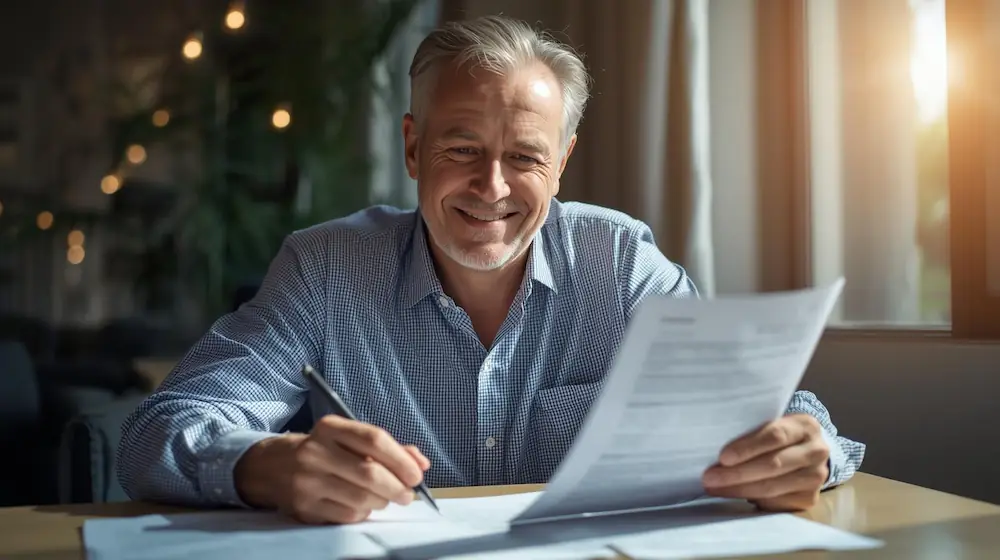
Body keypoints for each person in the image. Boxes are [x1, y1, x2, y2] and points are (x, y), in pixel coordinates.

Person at [116, 15, 865, 525]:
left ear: (562, 163)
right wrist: (266, 467)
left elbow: (766, 406)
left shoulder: (622, 262)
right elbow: (159, 431)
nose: (493, 187)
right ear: (412, 148)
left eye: (526, 157)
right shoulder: (324, 269)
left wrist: (812, 449)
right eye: (462, 150)